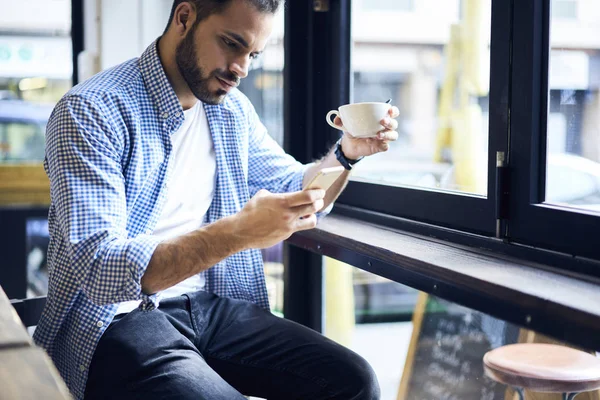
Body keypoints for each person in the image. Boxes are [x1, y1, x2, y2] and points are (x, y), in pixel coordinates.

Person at [33, 0, 399, 399]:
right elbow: (101, 270)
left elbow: (298, 187)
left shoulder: (231, 112)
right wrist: (238, 232)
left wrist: (347, 152)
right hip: (117, 318)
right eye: (231, 43)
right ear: (185, 18)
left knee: (353, 381)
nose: (241, 68)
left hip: (210, 305)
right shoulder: (91, 110)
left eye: (252, 55)